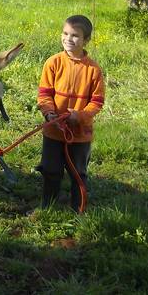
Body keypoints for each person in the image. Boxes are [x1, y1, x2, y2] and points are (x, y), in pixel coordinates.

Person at [35, 15, 106, 212]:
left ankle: (79, 210)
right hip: (53, 131)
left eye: (75, 36)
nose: (68, 39)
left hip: (80, 135)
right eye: (65, 33)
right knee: (50, 170)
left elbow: (97, 102)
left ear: (86, 40)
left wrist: (80, 116)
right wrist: (49, 114)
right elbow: (44, 95)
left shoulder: (93, 70)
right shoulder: (53, 63)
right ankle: (47, 208)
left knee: (78, 173)